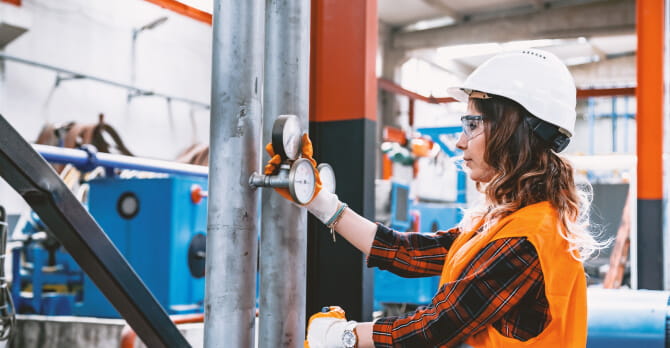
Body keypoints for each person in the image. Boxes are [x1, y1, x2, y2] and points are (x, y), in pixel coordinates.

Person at [264, 49, 601, 348]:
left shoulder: (528, 237)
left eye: (472, 124)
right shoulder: (503, 221)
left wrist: (346, 335)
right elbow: (410, 253)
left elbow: (439, 326)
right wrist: (321, 202)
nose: (460, 142)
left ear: (510, 132)